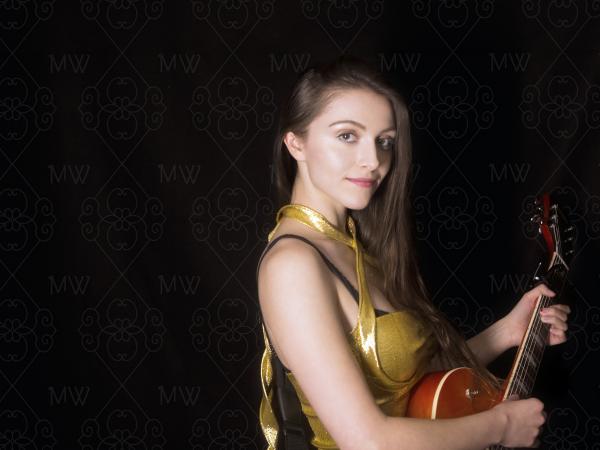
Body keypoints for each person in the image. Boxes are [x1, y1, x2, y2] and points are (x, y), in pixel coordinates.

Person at [256, 55, 571, 450]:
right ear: (296, 143)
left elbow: (410, 386)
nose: (373, 161)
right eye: (347, 136)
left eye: (384, 141)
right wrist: (503, 425)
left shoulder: (352, 246)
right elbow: (367, 441)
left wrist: (507, 332)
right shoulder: (292, 265)